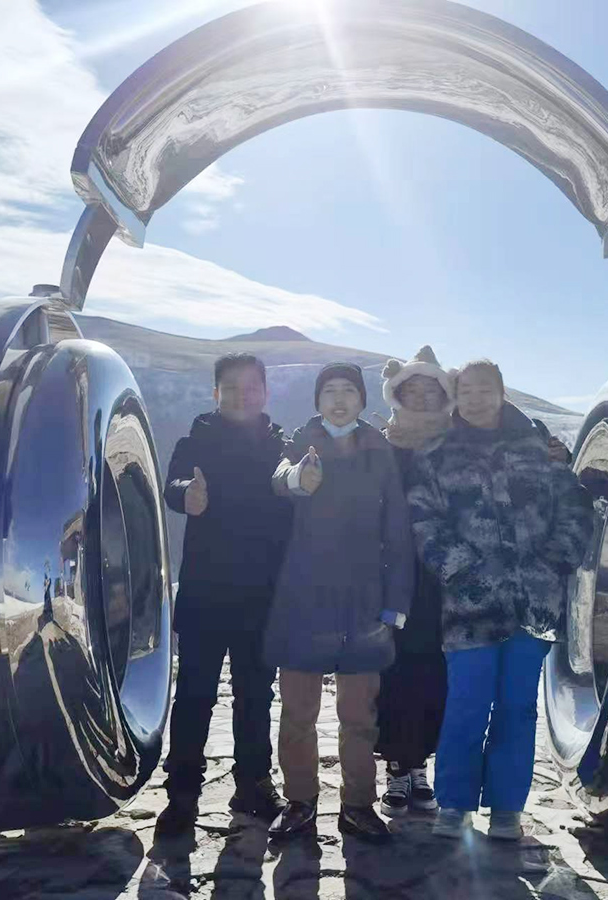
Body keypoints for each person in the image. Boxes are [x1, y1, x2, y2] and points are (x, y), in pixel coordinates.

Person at [407, 359, 594, 841]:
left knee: (518, 708)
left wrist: (553, 563)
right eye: (466, 390)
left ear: (502, 391)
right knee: (466, 703)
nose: (475, 398)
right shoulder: (436, 454)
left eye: (484, 389)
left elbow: (575, 507)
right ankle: (455, 806)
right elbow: (424, 521)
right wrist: (461, 569)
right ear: (456, 396)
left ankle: (507, 809)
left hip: (533, 605)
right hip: (469, 607)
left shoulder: (540, 448)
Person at [265, 362, 415, 843]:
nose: (338, 399)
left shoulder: (379, 451)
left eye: (348, 390)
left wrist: (396, 601)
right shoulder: (300, 444)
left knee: (358, 714)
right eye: (329, 390)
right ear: (317, 400)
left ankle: (358, 805)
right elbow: (280, 478)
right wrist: (297, 479)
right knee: (297, 711)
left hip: (363, 600)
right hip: (304, 597)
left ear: (362, 400)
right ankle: (300, 801)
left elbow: (397, 529)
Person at [154, 353, 292, 849]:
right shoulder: (196, 441)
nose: (241, 395)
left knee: (256, 697)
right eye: (231, 387)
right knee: (195, 696)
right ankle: (182, 795)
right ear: (216, 393)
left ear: (265, 392)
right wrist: (185, 494)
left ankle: (253, 785)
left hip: (261, 596)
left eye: (251, 387)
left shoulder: (281, 446)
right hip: (206, 593)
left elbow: (297, 498)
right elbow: (172, 485)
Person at [371, 346, 454, 817]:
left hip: (443, 576)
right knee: (394, 669)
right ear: (397, 395)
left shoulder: (457, 444)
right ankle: (396, 767)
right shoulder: (382, 445)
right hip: (392, 575)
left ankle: (420, 764)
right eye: (413, 390)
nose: (422, 398)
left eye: (431, 390)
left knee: (434, 671)